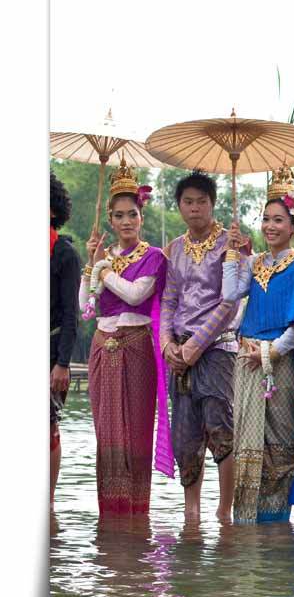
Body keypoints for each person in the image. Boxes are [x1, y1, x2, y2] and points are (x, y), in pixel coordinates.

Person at [222, 168, 294, 523]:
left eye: (279, 220)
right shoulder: (254, 263)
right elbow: (230, 294)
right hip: (245, 363)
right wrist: (232, 254)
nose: (270, 226)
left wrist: (269, 352)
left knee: (278, 443)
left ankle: (275, 523)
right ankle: (245, 524)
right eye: (265, 219)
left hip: (279, 363)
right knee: (245, 442)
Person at [79, 160, 171, 516]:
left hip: (135, 346)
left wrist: (104, 268)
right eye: (119, 216)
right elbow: (83, 304)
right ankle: (111, 515)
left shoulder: (153, 257)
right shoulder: (102, 255)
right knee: (106, 433)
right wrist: (91, 266)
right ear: (111, 220)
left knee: (135, 429)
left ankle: (136, 515)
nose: (126, 221)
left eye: (132, 213)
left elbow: (135, 296)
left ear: (141, 216)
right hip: (103, 346)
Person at [160, 172, 243, 523]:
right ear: (179, 206)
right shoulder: (174, 249)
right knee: (185, 434)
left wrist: (196, 344)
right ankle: (190, 512)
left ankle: (225, 510)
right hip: (179, 351)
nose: (195, 208)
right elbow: (169, 299)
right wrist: (166, 343)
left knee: (220, 427)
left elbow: (229, 303)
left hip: (217, 349)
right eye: (188, 202)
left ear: (213, 203)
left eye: (202, 201)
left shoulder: (231, 243)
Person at [50, 172, 82, 510]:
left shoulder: (65, 255)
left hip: (52, 352)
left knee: (47, 427)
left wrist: (62, 364)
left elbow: (72, 316)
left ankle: (48, 502)